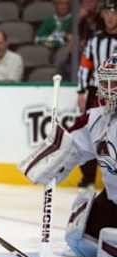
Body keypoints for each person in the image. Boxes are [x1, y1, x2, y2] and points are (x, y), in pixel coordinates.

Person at [20, 54, 117, 257]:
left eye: (115, 83)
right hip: (113, 200)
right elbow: (71, 146)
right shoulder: (96, 119)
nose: (108, 89)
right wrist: (49, 162)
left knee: (111, 256)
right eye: (106, 82)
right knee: (80, 238)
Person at [77, 0, 117, 190]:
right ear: (102, 16)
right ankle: (88, 178)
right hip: (96, 93)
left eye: (114, 13)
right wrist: (81, 90)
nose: (110, 17)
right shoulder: (95, 41)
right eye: (107, 13)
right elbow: (85, 66)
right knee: (90, 134)